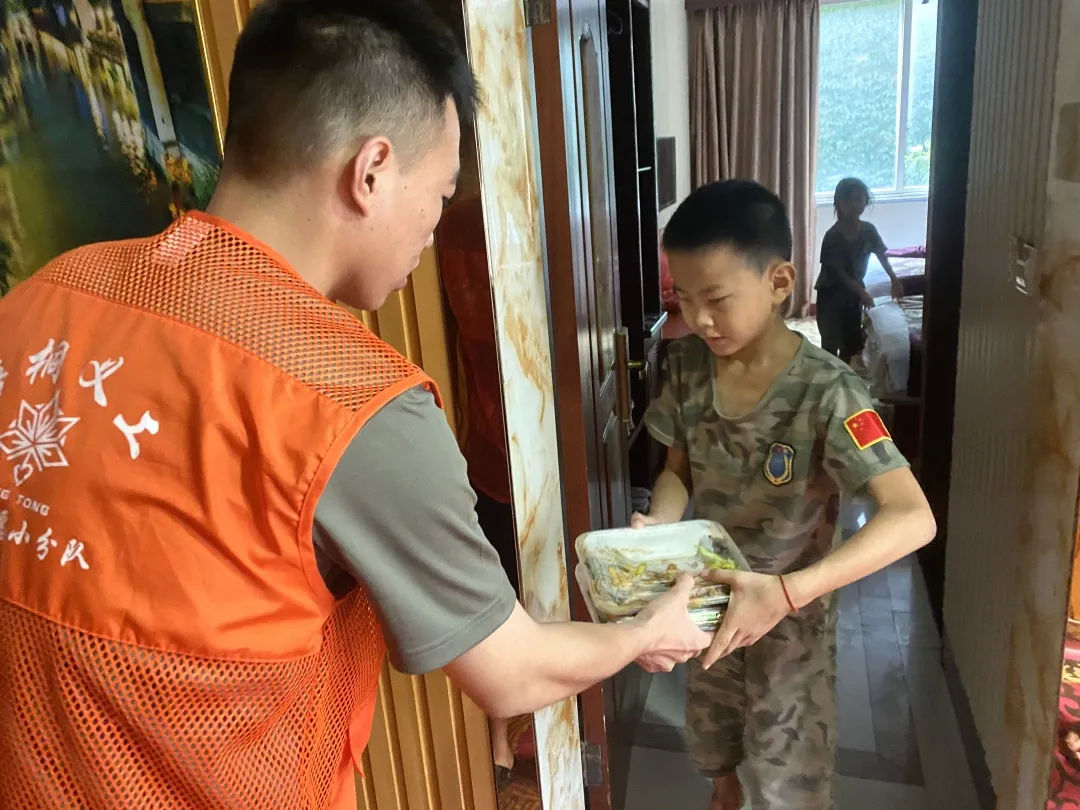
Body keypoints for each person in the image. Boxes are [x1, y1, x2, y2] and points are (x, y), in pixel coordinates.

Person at [0, 2, 711, 806]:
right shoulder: (350, 404)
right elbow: (510, 674)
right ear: (370, 171)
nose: (436, 229)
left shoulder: (45, 295)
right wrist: (644, 633)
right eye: (440, 196)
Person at [632, 180, 936, 810]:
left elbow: (913, 518)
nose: (701, 319)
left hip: (791, 625)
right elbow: (677, 471)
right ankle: (723, 793)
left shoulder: (832, 391)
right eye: (686, 299)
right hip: (711, 605)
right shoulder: (688, 366)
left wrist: (788, 592)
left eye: (716, 298)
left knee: (786, 782)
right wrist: (659, 526)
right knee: (714, 745)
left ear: (779, 282)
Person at [437, 191, 521, 790]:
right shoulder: (465, 224)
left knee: (509, 595)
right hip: (493, 453)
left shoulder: (462, 222)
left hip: (507, 449)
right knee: (502, 595)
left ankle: (508, 735)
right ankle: (502, 736)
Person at [815, 177, 904, 363]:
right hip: (831, 294)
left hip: (853, 293)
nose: (856, 204)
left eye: (860, 199)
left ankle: (845, 373)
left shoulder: (868, 230)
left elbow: (881, 254)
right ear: (840, 203)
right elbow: (839, 273)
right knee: (831, 340)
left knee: (852, 339)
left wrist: (894, 279)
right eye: (850, 200)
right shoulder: (833, 237)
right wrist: (862, 293)